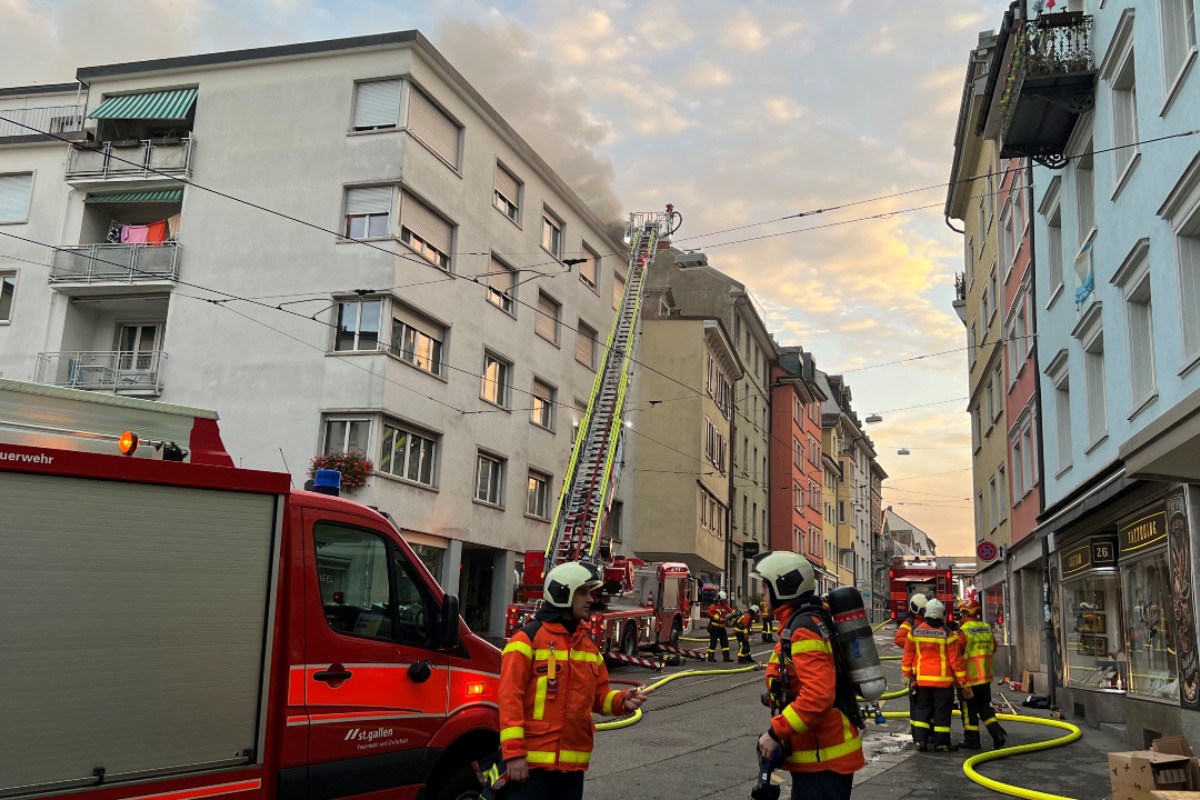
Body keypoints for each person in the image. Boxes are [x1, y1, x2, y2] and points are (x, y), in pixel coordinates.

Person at [498, 561, 651, 799]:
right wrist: (514, 754)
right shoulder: (527, 640)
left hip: (572, 768)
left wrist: (622, 700)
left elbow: (598, 697)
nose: (590, 599)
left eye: (590, 592)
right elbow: (509, 699)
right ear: (562, 593)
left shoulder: (588, 647)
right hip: (530, 767)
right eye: (582, 592)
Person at [754, 551, 864, 800]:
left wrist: (775, 733)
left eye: (765, 586)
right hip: (819, 758)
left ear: (783, 586)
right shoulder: (803, 622)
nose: (761, 593)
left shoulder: (803, 629)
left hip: (824, 761)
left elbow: (818, 696)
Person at [902, 598, 969, 753]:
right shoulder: (948, 633)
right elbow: (956, 660)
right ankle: (941, 744)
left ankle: (921, 742)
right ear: (941, 614)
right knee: (941, 713)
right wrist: (962, 681)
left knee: (922, 711)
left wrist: (907, 674)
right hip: (943, 683)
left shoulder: (915, 631)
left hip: (922, 681)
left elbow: (908, 655)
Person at [955, 599, 1006, 750]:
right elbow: (993, 647)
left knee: (968, 710)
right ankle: (997, 733)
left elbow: (957, 651)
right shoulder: (986, 628)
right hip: (985, 677)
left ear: (965, 613)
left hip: (969, 679)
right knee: (984, 707)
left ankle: (972, 740)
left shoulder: (964, 631)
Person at [894, 593, 927, 745]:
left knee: (925, 704)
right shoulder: (910, 622)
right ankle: (918, 735)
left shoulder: (926, 621)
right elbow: (899, 638)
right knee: (918, 704)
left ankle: (925, 735)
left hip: (924, 669)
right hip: (916, 670)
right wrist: (915, 643)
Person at [707, 590, 735, 662]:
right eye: (724, 600)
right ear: (719, 600)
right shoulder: (714, 606)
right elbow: (709, 613)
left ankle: (726, 657)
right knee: (713, 642)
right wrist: (718, 618)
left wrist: (735, 613)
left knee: (725, 642)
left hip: (722, 627)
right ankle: (710, 657)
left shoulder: (724, 606)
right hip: (715, 627)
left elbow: (731, 611)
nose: (725, 602)